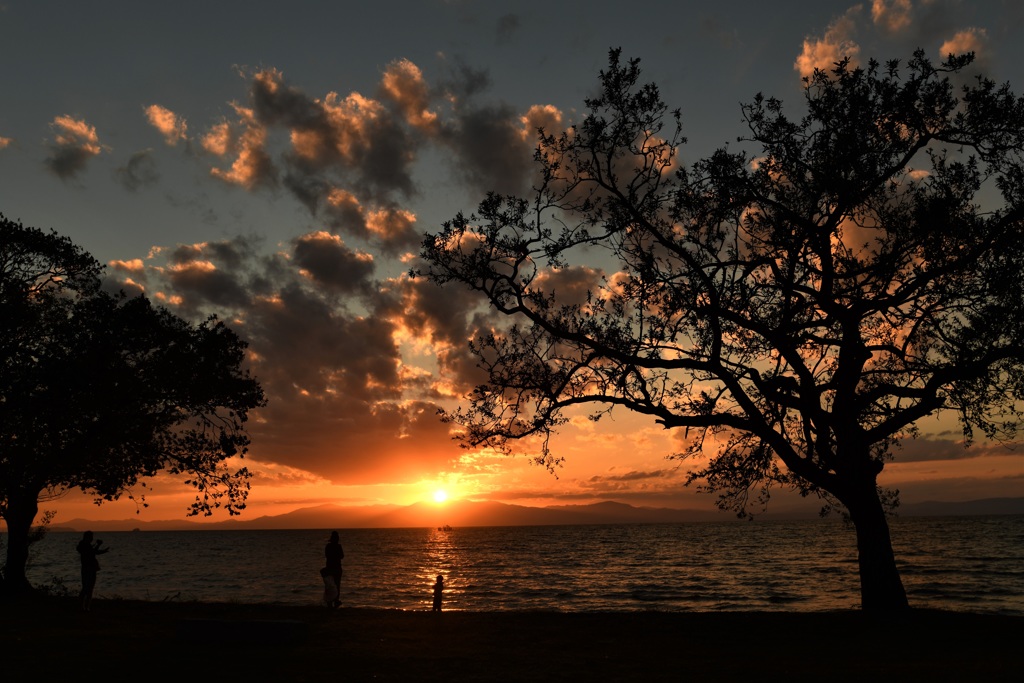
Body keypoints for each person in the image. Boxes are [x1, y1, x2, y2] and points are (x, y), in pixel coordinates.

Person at [76, 531, 109, 611]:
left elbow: (93, 552)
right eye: (91, 537)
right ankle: (83, 606)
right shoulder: (84, 545)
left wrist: (100, 548)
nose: (92, 538)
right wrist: (99, 546)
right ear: (87, 537)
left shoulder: (84, 545)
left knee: (88, 588)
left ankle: (85, 607)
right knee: (87, 588)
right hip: (88, 569)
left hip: (89, 568)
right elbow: (93, 553)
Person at [322, 531, 344, 608]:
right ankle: (335, 601)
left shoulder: (328, 546)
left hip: (330, 568)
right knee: (336, 585)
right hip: (336, 568)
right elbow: (342, 556)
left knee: (330, 585)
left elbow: (327, 556)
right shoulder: (338, 546)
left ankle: (330, 602)